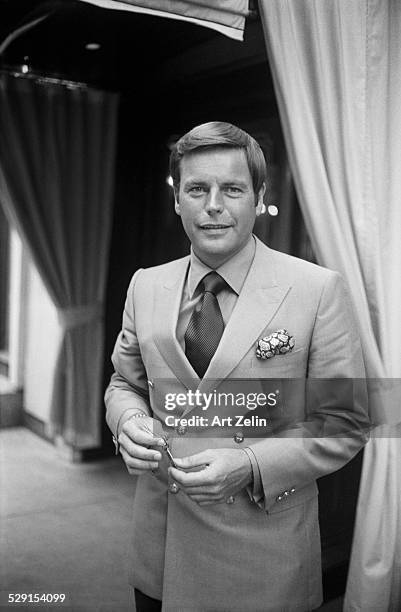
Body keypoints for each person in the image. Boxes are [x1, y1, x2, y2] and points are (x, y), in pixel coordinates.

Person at [105, 121, 369, 612]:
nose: (213, 205)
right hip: (161, 549)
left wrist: (250, 465)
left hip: (263, 554)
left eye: (232, 188)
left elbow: (345, 420)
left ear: (258, 196)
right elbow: (126, 382)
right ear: (177, 199)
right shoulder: (146, 285)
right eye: (197, 188)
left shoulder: (316, 289)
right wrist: (129, 420)